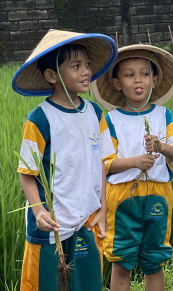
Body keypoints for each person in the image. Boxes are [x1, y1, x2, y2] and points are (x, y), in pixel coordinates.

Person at [12, 29, 118, 291]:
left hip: (87, 219)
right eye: (76, 66)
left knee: (86, 283)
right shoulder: (39, 119)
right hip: (51, 224)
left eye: (87, 65)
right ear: (52, 76)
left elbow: (101, 165)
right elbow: (27, 172)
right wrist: (39, 211)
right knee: (46, 284)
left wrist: (103, 210)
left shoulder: (95, 113)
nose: (86, 72)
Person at [91, 44, 173, 291]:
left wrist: (161, 147)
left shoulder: (164, 115)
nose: (138, 80)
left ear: (155, 80)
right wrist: (135, 162)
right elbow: (105, 164)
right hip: (123, 196)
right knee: (121, 259)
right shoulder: (111, 120)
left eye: (145, 74)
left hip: (159, 194)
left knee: (155, 260)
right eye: (129, 74)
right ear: (116, 83)